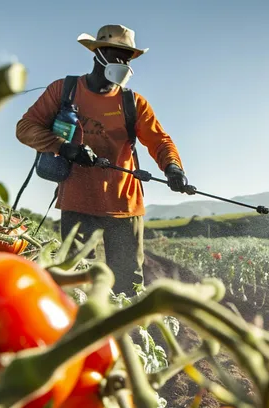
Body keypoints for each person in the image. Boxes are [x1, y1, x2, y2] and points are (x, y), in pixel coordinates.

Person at [15, 24, 195, 296]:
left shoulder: (133, 103)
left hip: (124, 205)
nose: (123, 63)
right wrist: (64, 148)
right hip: (77, 202)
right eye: (117, 55)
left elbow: (160, 141)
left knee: (128, 287)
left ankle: (127, 336)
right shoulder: (64, 91)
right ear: (97, 53)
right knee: (73, 283)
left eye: (128, 58)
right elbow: (25, 128)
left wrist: (173, 168)